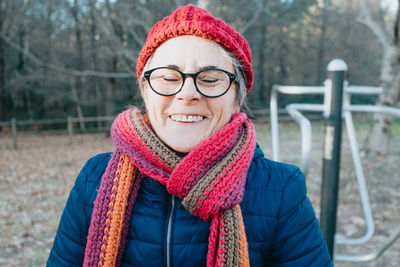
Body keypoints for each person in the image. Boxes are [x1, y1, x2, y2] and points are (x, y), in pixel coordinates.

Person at [47, 4, 333, 267]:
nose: (187, 94)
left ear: (237, 98)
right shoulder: (93, 178)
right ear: (145, 91)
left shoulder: (282, 189)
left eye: (210, 80)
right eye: (168, 78)